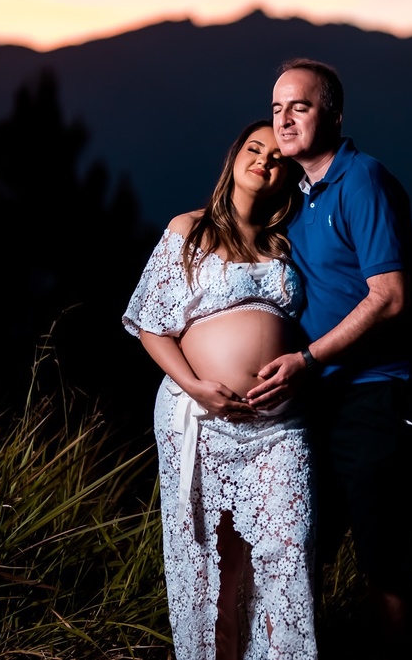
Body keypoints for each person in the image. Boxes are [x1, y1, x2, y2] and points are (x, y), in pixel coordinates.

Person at [247, 58, 412, 656]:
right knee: (302, 553)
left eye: (300, 106)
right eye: (277, 108)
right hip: (315, 401)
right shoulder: (295, 196)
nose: (285, 119)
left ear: (334, 113)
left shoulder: (363, 180)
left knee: (383, 561)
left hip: (376, 393)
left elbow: (391, 296)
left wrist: (308, 358)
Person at [122, 120, 318, 660]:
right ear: (234, 159)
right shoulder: (191, 229)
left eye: (278, 155)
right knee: (219, 568)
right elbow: (148, 323)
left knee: (289, 549)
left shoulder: (286, 244)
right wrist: (196, 386)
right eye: (254, 148)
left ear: (288, 174)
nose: (265, 159)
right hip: (202, 415)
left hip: (280, 425)